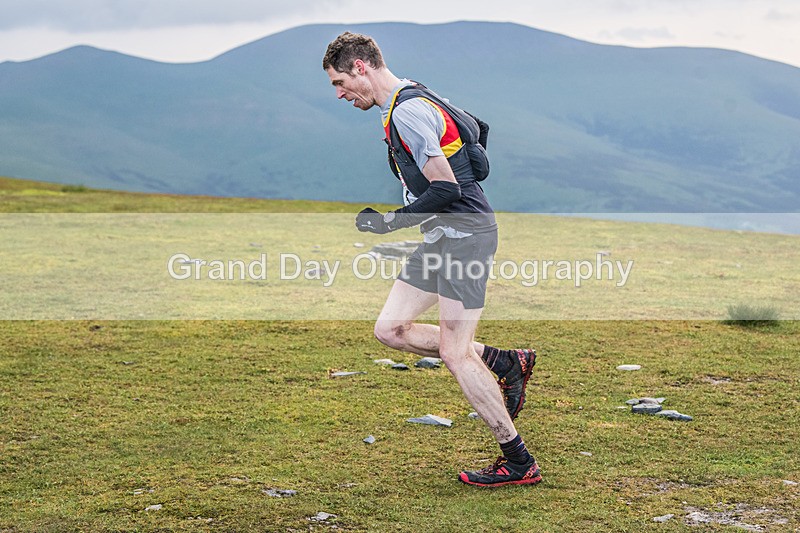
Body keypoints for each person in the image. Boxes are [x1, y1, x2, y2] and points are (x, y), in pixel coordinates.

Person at [323, 31, 541, 488]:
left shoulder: (406, 111)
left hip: (466, 238)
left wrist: (388, 223)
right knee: (390, 329)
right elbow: (478, 128)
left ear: (361, 67)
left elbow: (446, 188)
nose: (340, 94)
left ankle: (519, 461)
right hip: (443, 237)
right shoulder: (413, 95)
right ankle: (504, 361)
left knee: (454, 352)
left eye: (340, 82)